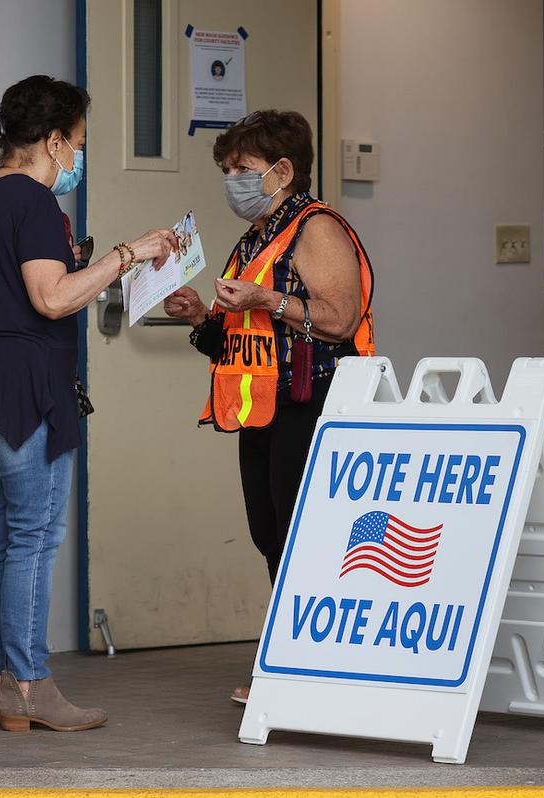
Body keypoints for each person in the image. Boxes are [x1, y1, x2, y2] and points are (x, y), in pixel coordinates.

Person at [0, 75, 176, 732]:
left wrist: (61, 270)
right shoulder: (34, 203)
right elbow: (51, 298)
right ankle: (30, 684)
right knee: (34, 536)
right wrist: (131, 254)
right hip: (23, 389)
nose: (76, 156)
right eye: (76, 143)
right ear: (49, 140)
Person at [162, 109, 375, 704]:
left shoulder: (316, 228)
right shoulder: (256, 236)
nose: (232, 179)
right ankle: (291, 659)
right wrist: (202, 317)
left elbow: (338, 320)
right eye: (228, 169)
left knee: (307, 534)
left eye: (243, 168)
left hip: (313, 402)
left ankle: (299, 666)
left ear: (283, 170)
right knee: (272, 533)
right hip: (260, 409)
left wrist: (266, 297)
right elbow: (236, 337)